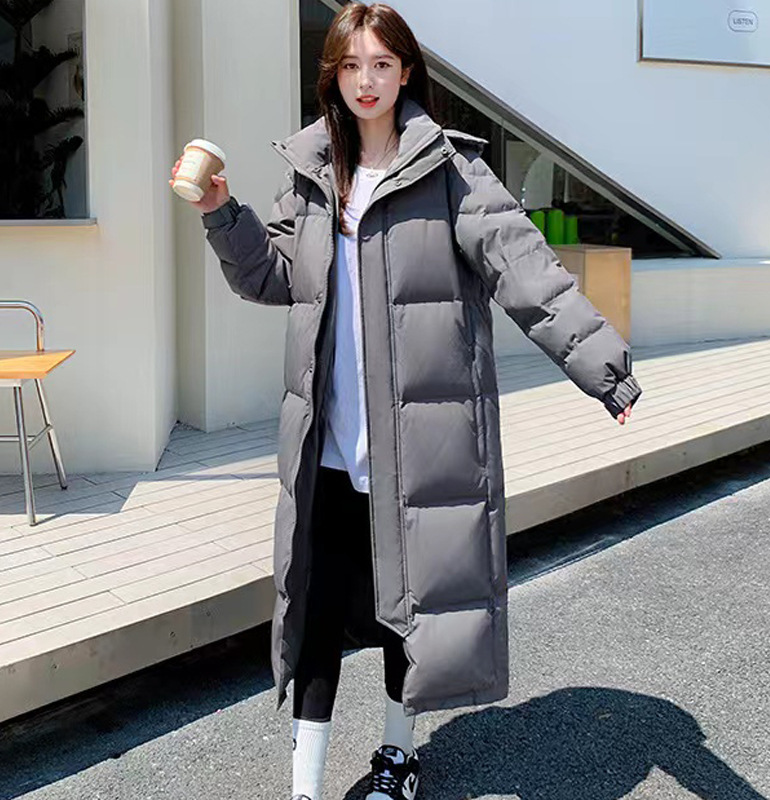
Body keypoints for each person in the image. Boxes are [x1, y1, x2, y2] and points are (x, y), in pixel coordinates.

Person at [170, 4, 641, 798]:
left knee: (406, 611)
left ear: (406, 72)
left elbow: (527, 270)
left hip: (418, 446)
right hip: (326, 442)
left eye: (382, 65)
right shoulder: (312, 171)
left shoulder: (450, 169)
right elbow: (275, 277)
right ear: (333, 76)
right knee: (316, 613)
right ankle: (305, 786)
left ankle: (398, 755)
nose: (367, 81)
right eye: (352, 65)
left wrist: (604, 368)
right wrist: (222, 213)